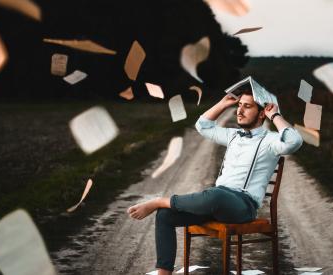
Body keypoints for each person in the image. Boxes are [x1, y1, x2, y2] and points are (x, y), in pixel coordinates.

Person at [127, 89, 303, 275]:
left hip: (243, 206)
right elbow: (202, 126)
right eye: (239, 105)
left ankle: (159, 201)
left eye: (247, 106)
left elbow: (294, 141)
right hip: (217, 203)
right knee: (165, 216)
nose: (240, 111)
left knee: (215, 194)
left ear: (261, 113)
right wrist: (223, 103)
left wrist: (274, 114)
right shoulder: (233, 135)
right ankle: (164, 273)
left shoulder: (271, 140)